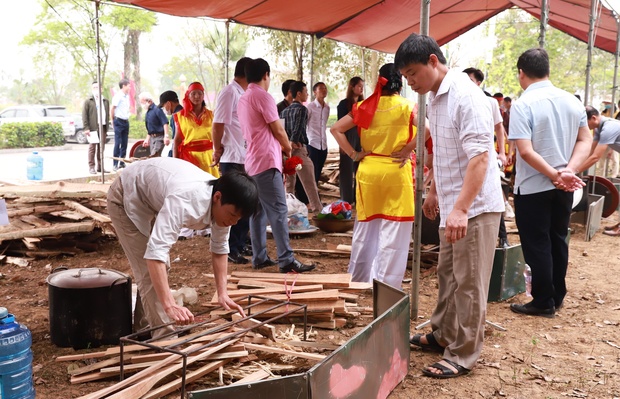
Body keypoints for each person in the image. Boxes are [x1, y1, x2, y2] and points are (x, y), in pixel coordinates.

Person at [395, 33, 504, 379]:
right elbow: (444, 153)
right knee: (448, 275)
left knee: (469, 281)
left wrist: (460, 208)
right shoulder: (435, 99)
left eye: (413, 73)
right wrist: (434, 192)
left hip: (475, 207)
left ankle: (462, 353)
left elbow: (479, 158)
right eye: (405, 77)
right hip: (454, 201)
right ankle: (442, 333)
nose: (410, 82)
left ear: (432, 61)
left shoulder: (465, 96)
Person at [107, 157, 258, 338]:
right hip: (126, 196)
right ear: (217, 197)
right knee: (149, 269)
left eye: (238, 219)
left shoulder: (223, 204)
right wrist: (169, 304)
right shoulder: (185, 199)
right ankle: (165, 339)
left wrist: (222, 293)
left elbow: (219, 249)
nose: (233, 222)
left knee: (159, 269)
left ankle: (146, 328)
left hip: (152, 197)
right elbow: (155, 256)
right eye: (232, 215)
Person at [508, 48, 591, 318]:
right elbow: (585, 140)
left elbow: (526, 151)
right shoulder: (572, 101)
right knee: (558, 238)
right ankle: (557, 294)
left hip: (534, 186)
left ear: (521, 73)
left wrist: (555, 174)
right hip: (565, 185)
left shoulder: (523, 104)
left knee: (537, 242)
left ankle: (543, 300)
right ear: (548, 71)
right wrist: (568, 170)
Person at [330, 63, 427, 288]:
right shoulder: (407, 106)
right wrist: (406, 149)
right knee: (395, 232)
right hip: (396, 172)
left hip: (369, 171)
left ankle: (359, 279)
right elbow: (427, 129)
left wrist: (354, 154)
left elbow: (336, 130)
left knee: (366, 229)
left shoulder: (364, 106)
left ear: (379, 81)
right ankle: (387, 286)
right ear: (400, 82)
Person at [237, 58, 315, 273]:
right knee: (279, 210)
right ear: (266, 75)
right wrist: (287, 149)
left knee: (258, 212)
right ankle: (286, 259)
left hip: (252, 160)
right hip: (265, 160)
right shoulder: (263, 96)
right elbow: (277, 129)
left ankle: (260, 256)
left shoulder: (244, 98)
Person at [212, 57, 253, 264]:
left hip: (244, 156)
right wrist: (216, 149)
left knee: (245, 202)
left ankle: (239, 243)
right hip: (231, 156)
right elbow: (218, 124)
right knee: (233, 205)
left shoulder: (243, 93)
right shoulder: (229, 92)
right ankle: (230, 248)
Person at [575, 106, 620, 236]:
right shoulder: (599, 128)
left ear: (593, 118)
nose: (582, 125)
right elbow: (590, 151)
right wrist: (575, 165)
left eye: (584, 121)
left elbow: (596, 157)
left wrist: (575, 171)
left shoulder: (608, 128)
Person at [281, 81, 323, 212]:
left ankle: (288, 210)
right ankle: (317, 210)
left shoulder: (284, 111)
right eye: (305, 92)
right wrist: (293, 143)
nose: (307, 94)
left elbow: (282, 129)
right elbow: (299, 127)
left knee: (289, 184)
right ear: (298, 94)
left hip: (286, 151)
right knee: (309, 182)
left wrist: (287, 146)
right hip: (298, 149)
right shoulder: (302, 109)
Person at [172, 82, 220, 177]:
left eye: (200, 93)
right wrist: (175, 162)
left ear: (203, 95)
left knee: (211, 185)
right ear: (188, 96)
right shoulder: (181, 116)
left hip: (209, 158)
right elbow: (176, 141)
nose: (197, 96)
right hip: (189, 158)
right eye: (193, 94)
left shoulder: (212, 115)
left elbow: (218, 136)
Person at [337, 77, 364, 204]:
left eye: (362, 86)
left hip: (361, 135)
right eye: (359, 86)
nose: (361, 88)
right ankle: (346, 199)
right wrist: (342, 144)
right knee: (346, 169)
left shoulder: (364, 103)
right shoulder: (343, 104)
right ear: (352, 87)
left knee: (360, 168)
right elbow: (339, 126)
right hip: (347, 136)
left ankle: (358, 197)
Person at [82, 81, 110, 175]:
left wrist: (107, 126)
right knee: (92, 147)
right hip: (93, 127)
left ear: (101, 89)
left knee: (101, 148)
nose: (96, 89)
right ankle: (91, 167)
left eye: (97, 87)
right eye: (94, 87)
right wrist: (86, 128)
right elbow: (84, 115)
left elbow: (107, 114)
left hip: (103, 126)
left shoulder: (105, 101)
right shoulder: (88, 101)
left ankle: (100, 166)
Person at [306, 82, 330, 184]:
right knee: (312, 172)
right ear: (315, 92)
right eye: (321, 88)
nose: (324, 90)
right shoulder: (310, 107)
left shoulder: (327, 108)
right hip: (312, 143)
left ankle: (315, 191)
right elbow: (305, 124)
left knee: (319, 170)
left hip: (323, 144)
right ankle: (310, 195)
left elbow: (324, 125)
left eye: (325, 88)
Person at [140, 92, 170, 157]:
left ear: (149, 101)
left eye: (143, 103)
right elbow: (151, 129)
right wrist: (147, 139)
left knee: (154, 156)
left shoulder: (157, 110)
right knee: (153, 158)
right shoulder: (148, 112)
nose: (142, 105)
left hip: (159, 138)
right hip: (152, 138)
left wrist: (166, 136)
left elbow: (165, 123)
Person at [111, 78, 131, 171]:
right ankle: (115, 163)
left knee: (124, 143)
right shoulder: (118, 96)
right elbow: (113, 108)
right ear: (124, 86)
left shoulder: (127, 96)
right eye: (128, 86)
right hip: (118, 121)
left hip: (125, 121)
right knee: (117, 143)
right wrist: (112, 120)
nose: (130, 87)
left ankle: (122, 162)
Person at [158, 90, 183, 157]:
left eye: (163, 106)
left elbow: (177, 141)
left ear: (168, 103)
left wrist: (171, 156)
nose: (163, 109)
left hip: (181, 153)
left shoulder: (176, 116)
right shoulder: (184, 112)